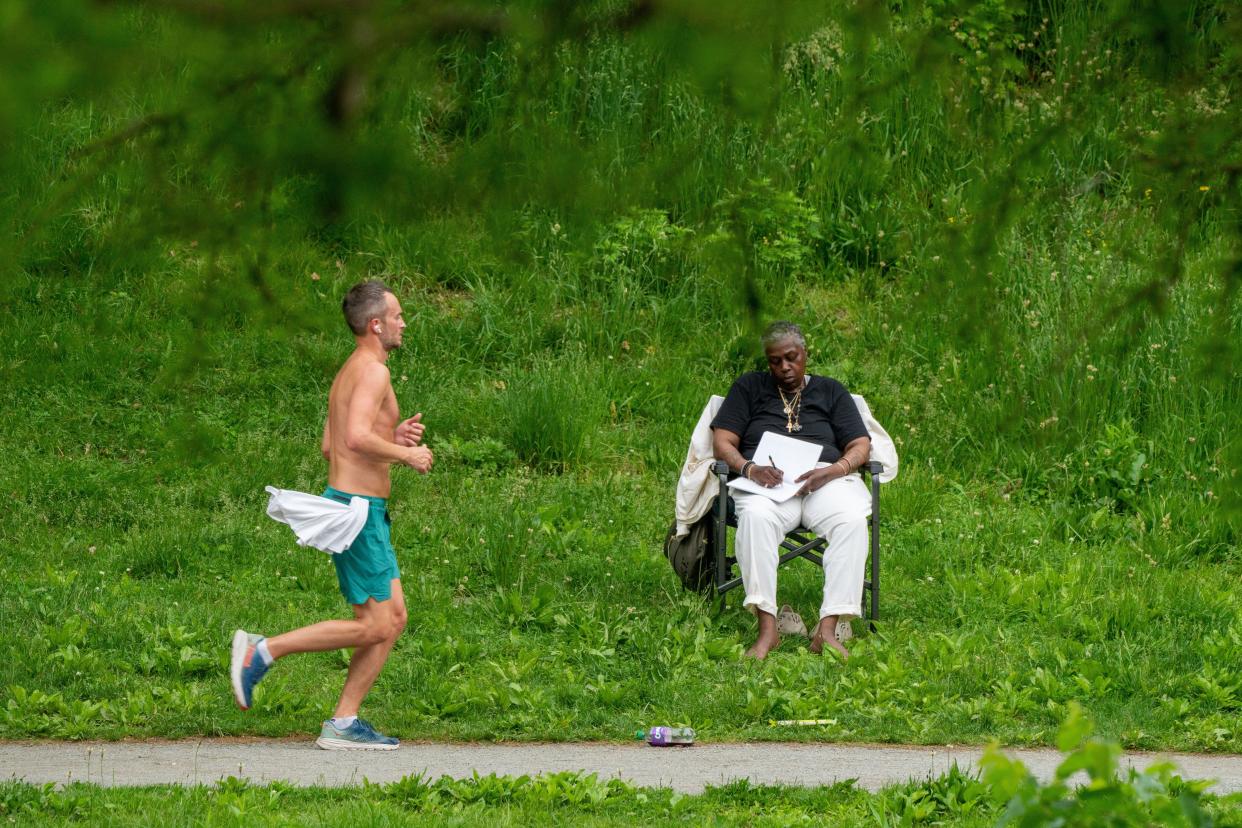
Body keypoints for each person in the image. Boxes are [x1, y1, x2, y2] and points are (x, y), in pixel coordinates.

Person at [230, 280, 433, 749]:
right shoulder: (375, 373)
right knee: (376, 624)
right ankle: (263, 652)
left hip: (358, 507)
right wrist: (407, 456)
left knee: (393, 617)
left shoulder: (350, 371)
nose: (404, 323)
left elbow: (333, 444)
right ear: (376, 324)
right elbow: (355, 440)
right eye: (398, 316)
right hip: (358, 512)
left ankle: (343, 722)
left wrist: (392, 433)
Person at [711, 321, 871, 661]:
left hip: (824, 484)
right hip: (767, 486)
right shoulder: (749, 388)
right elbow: (722, 441)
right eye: (774, 361)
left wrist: (835, 469)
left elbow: (859, 444)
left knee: (852, 520)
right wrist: (750, 469)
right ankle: (768, 630)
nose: (784, 367)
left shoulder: (831, 391)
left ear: (805, 355)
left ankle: (827, 629)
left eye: (791, 358)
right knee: (754, 517)